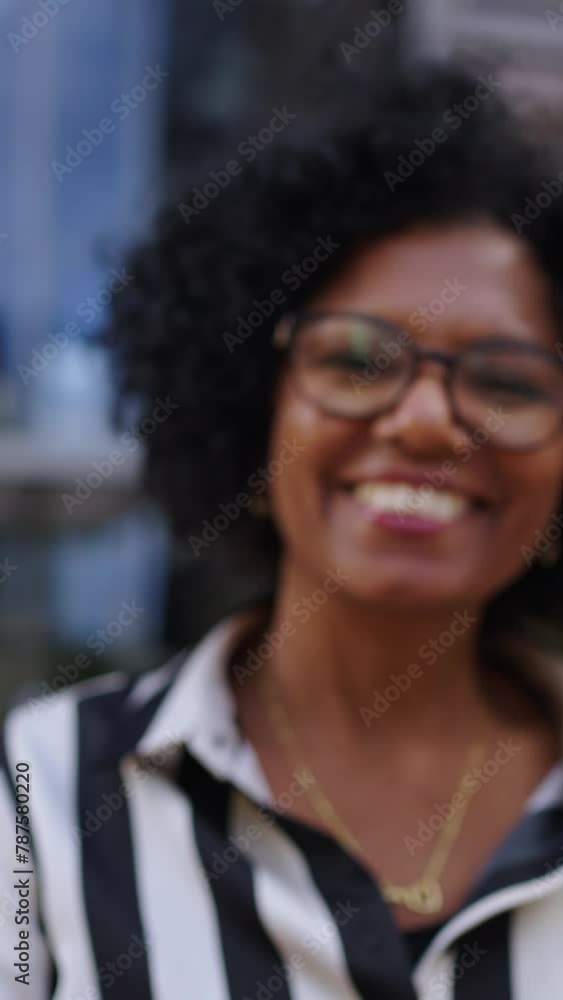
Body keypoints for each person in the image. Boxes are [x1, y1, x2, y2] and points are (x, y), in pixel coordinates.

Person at [2, 60, 563, 1000]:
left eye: (506, 381)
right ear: (253, 413)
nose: (426, 421)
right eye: (356, 361)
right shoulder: (40, 801)